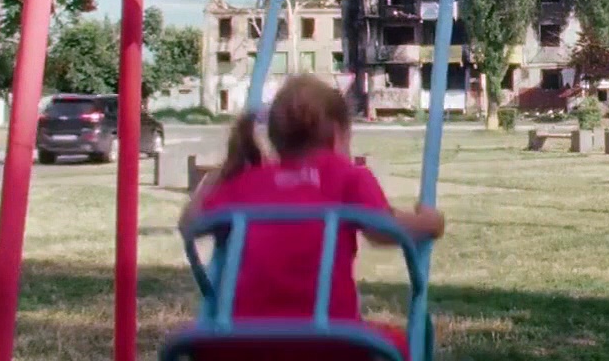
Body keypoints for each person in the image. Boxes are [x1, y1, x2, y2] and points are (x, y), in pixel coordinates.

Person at [179, 74, 445, 344]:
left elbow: (189, 225)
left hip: (243, 340)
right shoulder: (349, 177)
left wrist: (223, 172)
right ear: (337, 134)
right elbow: (384, 230)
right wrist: (429, 222)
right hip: (329, 340)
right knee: (396, 344)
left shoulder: (246, 182)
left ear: (276, 138)